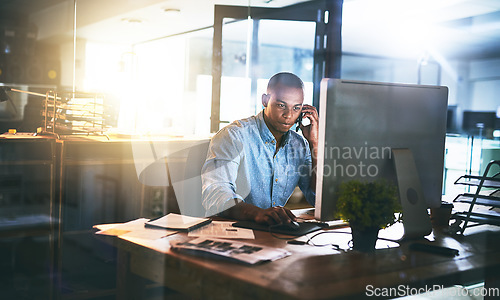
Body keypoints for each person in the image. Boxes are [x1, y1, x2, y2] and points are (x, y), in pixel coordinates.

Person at [201, 72, 318, 225]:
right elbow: (216, 194)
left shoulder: (300, 145)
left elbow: (316, 198)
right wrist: (258, 214)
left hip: (272, 234)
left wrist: (315, 144)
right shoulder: (234, 136)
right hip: (230, 231)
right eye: (281, 105)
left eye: (296, 108)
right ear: (265, 100)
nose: (288, 115)